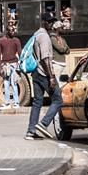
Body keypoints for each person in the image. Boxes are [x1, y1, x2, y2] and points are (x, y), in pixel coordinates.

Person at [26, 12, 64, 140]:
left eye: (52, 21)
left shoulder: (36, 34)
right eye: (49, 21)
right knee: (58, 100)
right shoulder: (44, 37)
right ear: (43, 22)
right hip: (44, 73)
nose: (51, 23)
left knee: (37, 101)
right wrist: (51, 77)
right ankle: (43, 124)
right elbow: (45, 58)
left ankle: (31, 131)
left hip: (36, 72)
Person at [0, 24, 22, 108]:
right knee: (6, 84)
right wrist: (0, 68)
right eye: (11, 30)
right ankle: (7, 103)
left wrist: (20, 66)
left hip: (14, 64)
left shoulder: (16, 40)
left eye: (14, 30)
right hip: (5, 65)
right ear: (7, 31)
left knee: (14, 83)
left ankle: (16, 103)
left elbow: (20, 53)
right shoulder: (0, 41)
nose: (13, 32)